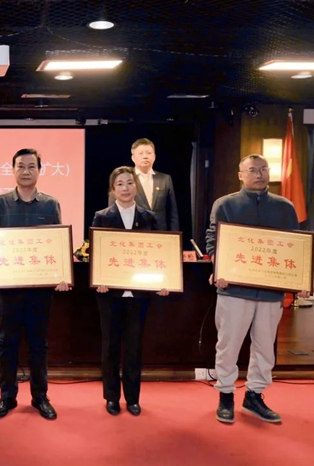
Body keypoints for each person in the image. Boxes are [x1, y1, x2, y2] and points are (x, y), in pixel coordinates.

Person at [206, 154, 310, 424]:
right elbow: (213, 240)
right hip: (233, 290)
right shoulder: (225, 204)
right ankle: (225, 394)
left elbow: (296, 246)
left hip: (270, 292)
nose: (259, 174)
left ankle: (254, 395)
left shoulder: (285, 207)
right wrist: (219, 267)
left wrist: (301, 281)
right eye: (252, 170)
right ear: (240, 175)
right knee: (228, 345)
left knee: (265, 347)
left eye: (263, 169)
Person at [0, 148, 71, 420]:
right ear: (13, 170)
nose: (26, 171)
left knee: (38, 344)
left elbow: (56, 244)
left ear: (39, 171)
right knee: (6, 343)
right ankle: (7, 397)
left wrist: (62, 273)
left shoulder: (50, 205)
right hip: (8, 290)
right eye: (20, 166)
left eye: (31, 166)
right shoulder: (0, 204)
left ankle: (40, 396)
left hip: (40, 290)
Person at [93, 166, 169, 417]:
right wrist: (99, 278)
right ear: (112, 190)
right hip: (110, 294)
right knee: (110, 347)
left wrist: (163, 280)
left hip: (139, 294)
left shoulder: (149, 218)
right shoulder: (102, 217)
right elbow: (97, 254)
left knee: (134, 348)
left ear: (136, 187)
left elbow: (159, 253)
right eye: (120, 184)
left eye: (129, 183)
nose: (125, 188)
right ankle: (112, 397)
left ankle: (133, 398)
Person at [110, 138, 179, 231]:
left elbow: (172, 213)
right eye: (141, 153)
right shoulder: (124, 179)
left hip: (160, 233)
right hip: (134, 232)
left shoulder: (165, 179)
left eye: (149, 153)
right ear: (133, 158)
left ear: (154, 156)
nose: (145, 156)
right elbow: (113, 211)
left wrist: (174, 236)